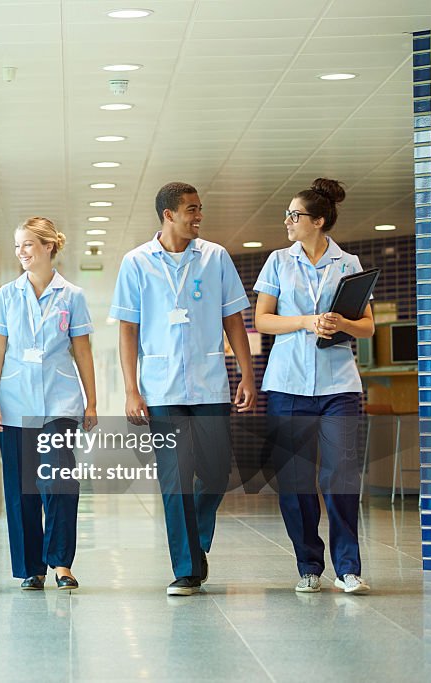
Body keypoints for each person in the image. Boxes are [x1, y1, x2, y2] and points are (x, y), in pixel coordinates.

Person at [109, 181, 257, 596]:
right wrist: (130, 390)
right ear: (168, 215)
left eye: (199, 209)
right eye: (191, 210)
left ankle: (192, 539)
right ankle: (187, 568)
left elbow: (233, 319)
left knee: (215, 472)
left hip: (210, 385)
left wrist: (246, 374)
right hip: (160, 388)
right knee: (174, 479)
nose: (198, 217)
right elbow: (128, 329)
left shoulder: (216, 258)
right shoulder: (136, 262)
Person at [253, 178, 374, 594]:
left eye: (295, 215)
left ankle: (347, 567)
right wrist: (307, 321)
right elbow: (263, 320)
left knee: (341, 474)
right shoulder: (278, 262)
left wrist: (341, 323)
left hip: (339, 385)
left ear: (318, 221)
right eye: (288, 214)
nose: (287, 221)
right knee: (296, 479)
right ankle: (308, 565)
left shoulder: (349, 263)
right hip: (287, 384)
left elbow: (368, 327)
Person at [0, 217, 97, 591]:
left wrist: (91, 402)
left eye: (28, 245)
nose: (21, 253)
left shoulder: (72, 296)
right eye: (18, 246)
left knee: (59, 482)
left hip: (60, 404)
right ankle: (31, 568)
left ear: (49, 246)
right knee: (20, 490)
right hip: (15, 403)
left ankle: (61, 562)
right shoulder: (7, 295)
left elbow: (82, 350)